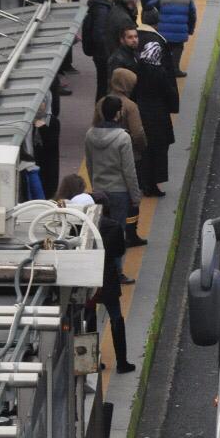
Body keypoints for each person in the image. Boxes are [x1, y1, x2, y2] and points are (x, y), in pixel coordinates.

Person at [84, 95, 142, 269]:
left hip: (99, 190)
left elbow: (89, 164)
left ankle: (101, 271)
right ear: (118, 114)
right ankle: (117, 272)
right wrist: (135, 195)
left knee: (100, 233)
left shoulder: (90, 135)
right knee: (118, 233)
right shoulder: (123, 138)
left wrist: (95, 185)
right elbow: (129, 171)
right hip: (119, 192)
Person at [94, 60, 147, 248]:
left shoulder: (101, 102)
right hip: (129, 154)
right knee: (132, 202)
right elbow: (138, 132)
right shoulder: (130, 106)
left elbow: (95, 125)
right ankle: (130, 234)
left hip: (104, 162)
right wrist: (141, 147)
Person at [129, 23, 178, 197]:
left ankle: (144, 182)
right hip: (158, 116)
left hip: (142, 113)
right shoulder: (160, 73)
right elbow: (169, 92)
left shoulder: (138, 69)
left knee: (145, 152)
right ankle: (153, 184)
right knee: (158, 151)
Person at [91, 190, 134, 374]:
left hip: (89, 277)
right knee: (116, 317)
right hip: (108, 277)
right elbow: (119, 252)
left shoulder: (85, 225)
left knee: (89, 318)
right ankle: (122, 362)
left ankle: (93, 361)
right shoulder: (114, 227)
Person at [80, 0, 126, 99]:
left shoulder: (103, 4)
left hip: (102, 54)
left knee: (104, 85)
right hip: (104, 56)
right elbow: (99, 35)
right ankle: (102, 113)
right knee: (105, 86)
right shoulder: (102, 10)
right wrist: (109, 56)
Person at [148, 0, 197, 78]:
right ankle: (175, 69)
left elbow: (149, 5)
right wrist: (190, 29)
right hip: (180, 31)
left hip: (163, 31)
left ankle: (165, 68)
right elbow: (193, 15)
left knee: (165, 49)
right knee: (178, 47)